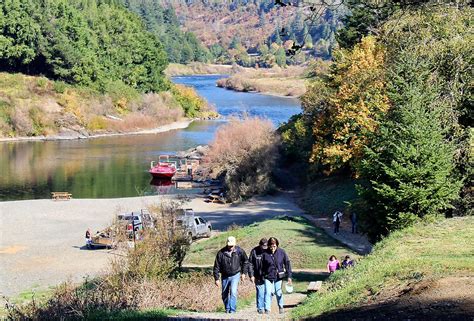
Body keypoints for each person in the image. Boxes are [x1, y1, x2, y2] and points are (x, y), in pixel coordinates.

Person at [213, 236, 249, 313]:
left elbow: (246, 261)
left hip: (235, 274)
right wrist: (216, 279)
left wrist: (244, 273)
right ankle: (227, 308)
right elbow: (216, 266)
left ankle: (232, 310)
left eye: (232, 246)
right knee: (224, 294)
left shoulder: (240, 251)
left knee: (233, 291)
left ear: (235, 244)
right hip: (225, 276)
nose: (230, 247)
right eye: (229, 245)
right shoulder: (221, 253)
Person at [261, 237, 292, 315]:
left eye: (274, 245)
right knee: (268, 292)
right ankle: (267, 309)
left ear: (277, 245)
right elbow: (261, 266)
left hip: (278, 276)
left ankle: (281, 307)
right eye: (271, 245)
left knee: (278, 293)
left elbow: (287, 264)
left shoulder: (282, 252)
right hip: (268, 276)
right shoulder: (265, 254)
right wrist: (261, 275)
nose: (273, 247)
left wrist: (289, 276)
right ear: (269, 245)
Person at [249, 238, 268, 314]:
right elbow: (250, 264)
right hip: (258, 275)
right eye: (263, 246)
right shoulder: (254, 251)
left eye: (265, 246)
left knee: (269, 292)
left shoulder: (269, 250)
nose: (264, 248)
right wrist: (251, 275)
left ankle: (267, 306)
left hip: (268, 275)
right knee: (260, 292)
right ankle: (260, 308)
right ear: (260, 245)